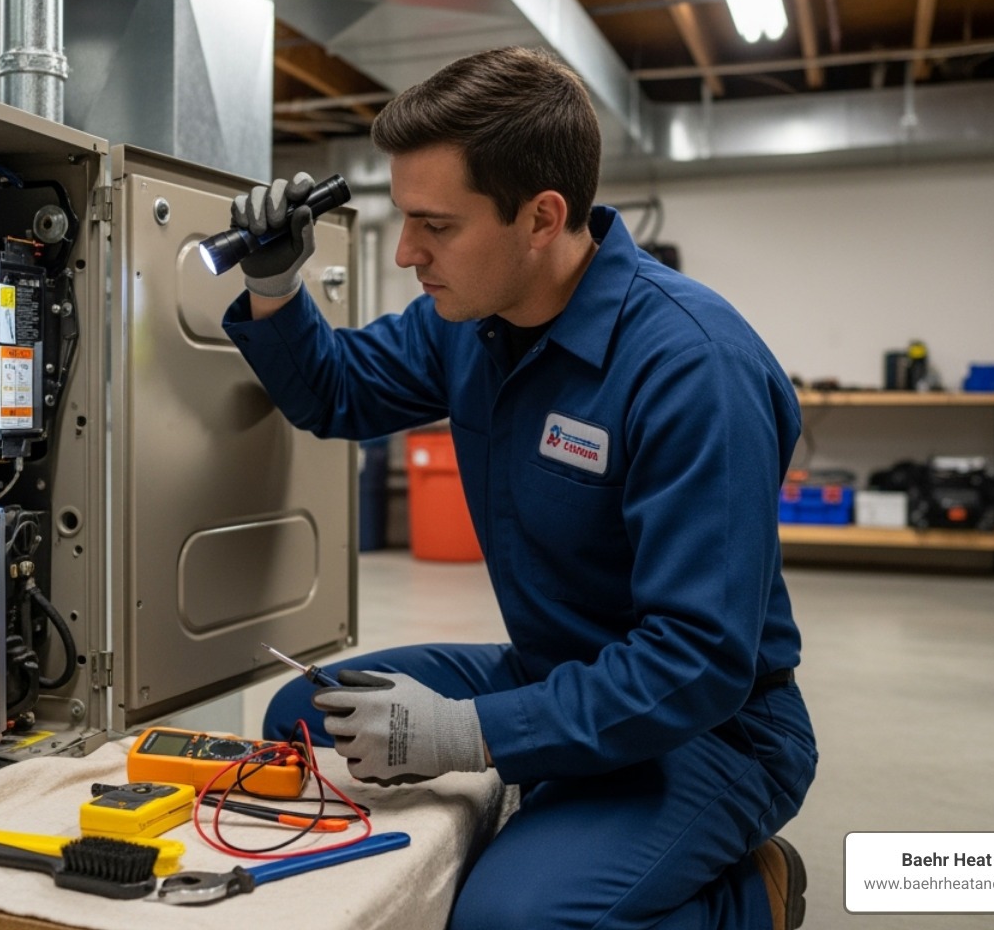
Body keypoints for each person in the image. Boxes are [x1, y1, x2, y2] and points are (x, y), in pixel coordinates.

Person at [219, 47, 817, 930]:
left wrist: (471, 734)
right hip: (554, 668)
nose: (410, 252)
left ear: (542, 217)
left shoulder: (693, 368)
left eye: (438, 226)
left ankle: (747, 895)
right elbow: (338, 392)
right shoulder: (472, 321)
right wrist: (275, 287)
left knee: (507, 922)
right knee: (305, 716)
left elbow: (700, 660)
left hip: (711, 731)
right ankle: (558, 820)